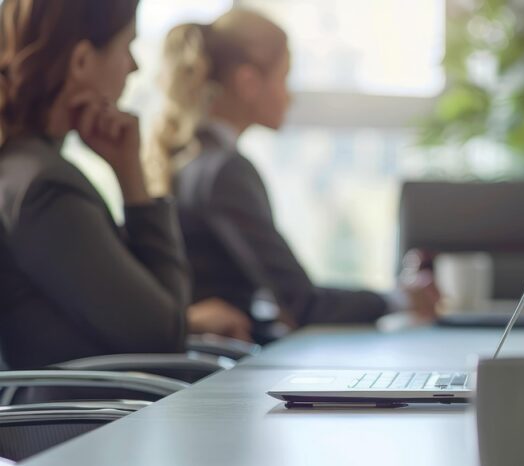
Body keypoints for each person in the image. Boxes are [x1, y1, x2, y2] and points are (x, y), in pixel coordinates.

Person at [147, 10, 439, 340]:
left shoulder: (190, 161)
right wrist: (399, 299)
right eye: (284, 78)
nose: (291, 95)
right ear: (248, 83)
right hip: (219, 368)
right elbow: (302, 303)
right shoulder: (225, 171)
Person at [0, 0, 244, 368]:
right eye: (126, 46)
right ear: (81, 61)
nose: (134, 66)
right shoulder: (45, 187)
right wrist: (135, 185)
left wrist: (126, 170)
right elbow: (161, 336)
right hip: (86, 420)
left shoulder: (24, 168)